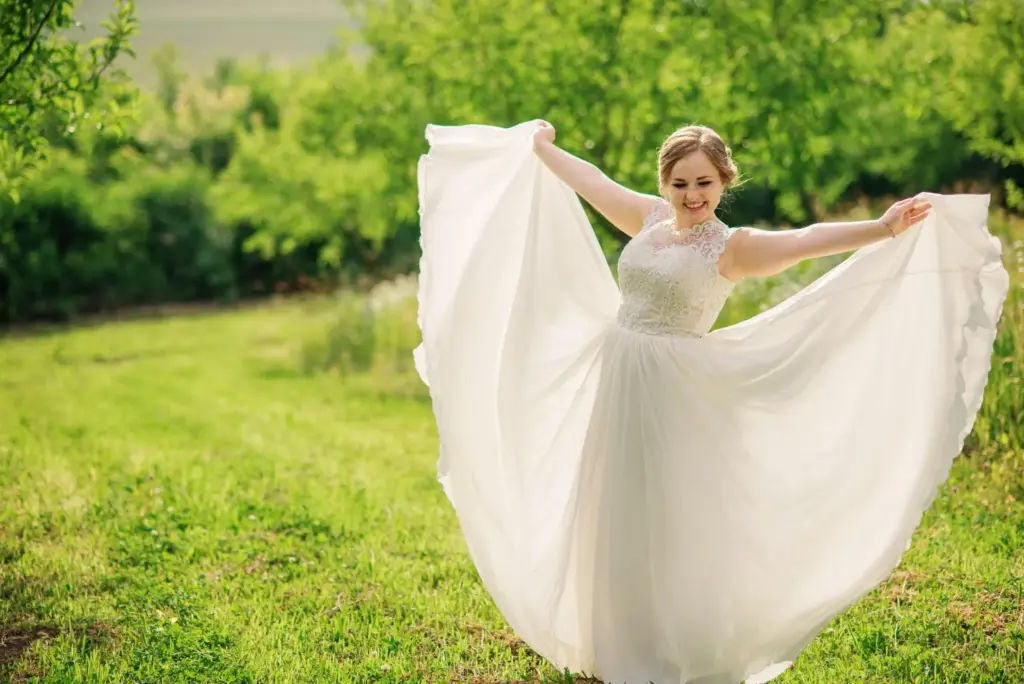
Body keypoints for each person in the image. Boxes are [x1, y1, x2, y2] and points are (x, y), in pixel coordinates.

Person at [413, 119, 1009, 684]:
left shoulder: (731, 247)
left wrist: (880, 229)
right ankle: (611, 635)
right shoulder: (648, 220)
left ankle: (668, 644)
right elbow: (591, 182)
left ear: (724, 181)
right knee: (610, 501)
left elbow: (804, 241)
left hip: (674, 389)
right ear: (663, 183)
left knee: (666, 512)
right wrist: (540, 146)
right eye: (680, 183)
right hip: (618, 372)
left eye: (703, 182)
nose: (691, 195)